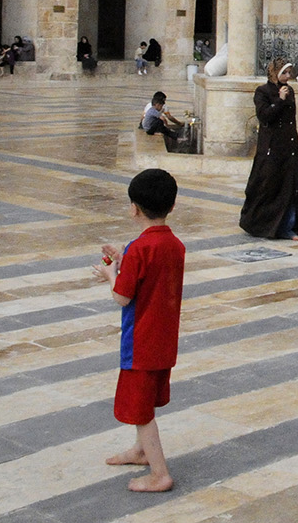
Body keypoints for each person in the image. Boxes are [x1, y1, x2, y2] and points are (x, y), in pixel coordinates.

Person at [91, 168, 184, 494]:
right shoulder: (175, 245)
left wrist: (109, 274)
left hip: (140, 342)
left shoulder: (139, 249)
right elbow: (152, 277)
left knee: (141, 410)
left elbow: (122, 296)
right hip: (164, 339)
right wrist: (123, 259)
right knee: (146, 400)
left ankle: (160, 473)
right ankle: (140, 451)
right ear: (171, 207)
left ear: (134, 208)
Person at [239, 59, 298, 240]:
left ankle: (288, 226)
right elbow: (265, 116)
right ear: (275, 73)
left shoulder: (289, 90)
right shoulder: (263, 92)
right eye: (284, 73)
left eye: (289, 73)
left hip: (289, 146)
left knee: (291, 187)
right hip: (272, 148)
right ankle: (261, 224)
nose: (288, 77)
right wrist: (280, 100)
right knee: (268, 187)